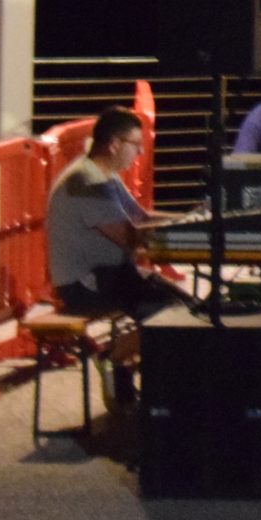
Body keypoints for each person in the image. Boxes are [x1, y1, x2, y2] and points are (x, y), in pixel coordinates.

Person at [48, 107, 184, 401]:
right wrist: (188, 232)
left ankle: (129, 368)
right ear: (114, 144)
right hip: (86, 284)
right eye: (136, 144)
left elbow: (141, 217)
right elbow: (130, 236)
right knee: (175, 316)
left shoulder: (102, 174)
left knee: (186, 308)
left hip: (111, 274)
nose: (140, 152)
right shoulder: (87, 183)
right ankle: (112, 358)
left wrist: (189, 220)